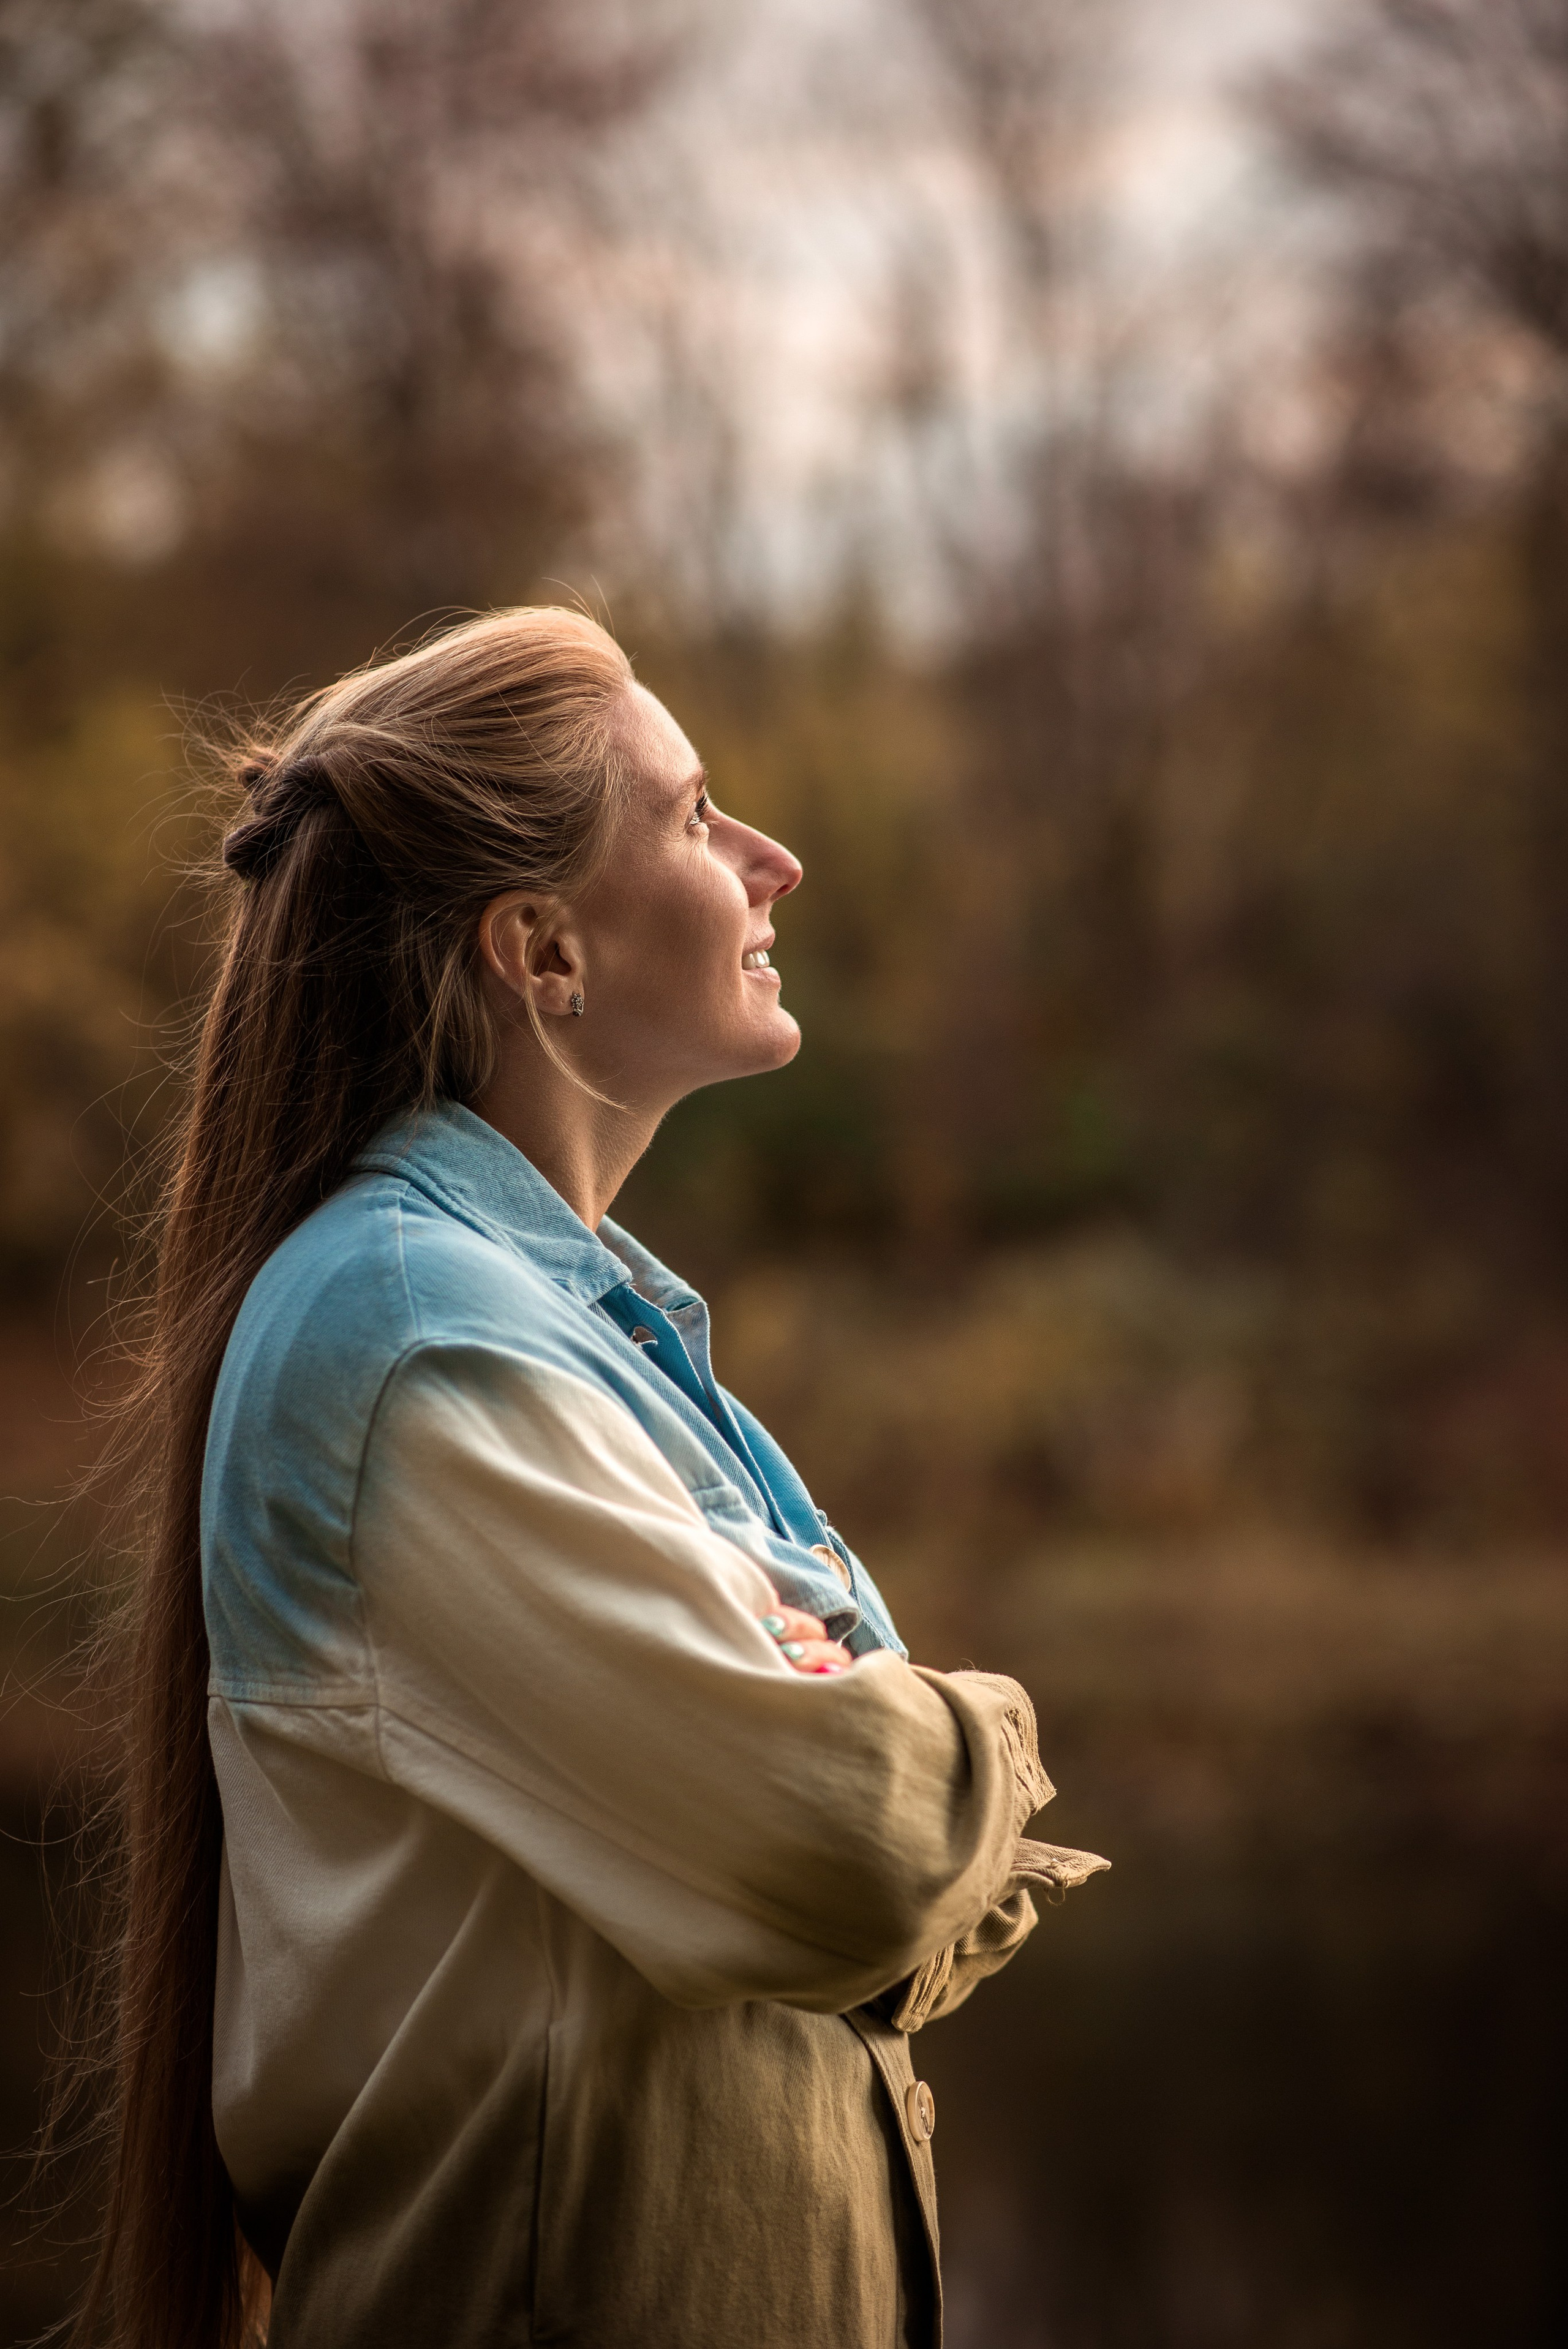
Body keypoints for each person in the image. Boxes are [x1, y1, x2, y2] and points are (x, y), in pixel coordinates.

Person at [76, 607, 1106, 2349]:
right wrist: (971, 1731)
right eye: (699, 816)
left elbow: (818, 1802)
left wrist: (851, 1719)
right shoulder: (417, 1338)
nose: (774, 860)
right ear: (544, 953)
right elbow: (842, 1835)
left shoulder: (569, 1324)